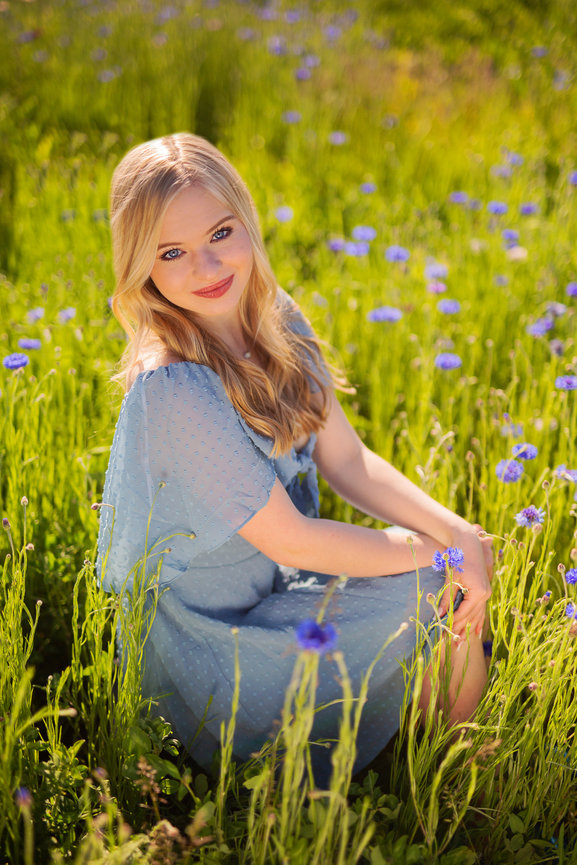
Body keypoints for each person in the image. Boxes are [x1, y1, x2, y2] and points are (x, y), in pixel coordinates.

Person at [96, 132, 492, 782]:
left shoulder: (274, 317)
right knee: (440, 581)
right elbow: (294, 539)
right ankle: (429, 784)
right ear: (142, 267)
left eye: (221, 233)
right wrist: (441, 553)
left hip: (277, 595)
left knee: (457, 561)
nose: (207, 266)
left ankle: (443, 764)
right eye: (172, 252)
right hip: (212, 648)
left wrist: (453, 531)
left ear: (245, 221)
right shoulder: (173, 387)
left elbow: (347, 460)